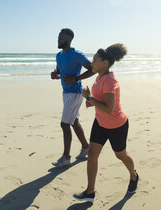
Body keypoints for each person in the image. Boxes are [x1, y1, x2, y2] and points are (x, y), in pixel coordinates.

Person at [73, 43, 139, 202]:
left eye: (95, 60)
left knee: (121, 155)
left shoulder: (110, 81)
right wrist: (89, 99)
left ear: (104, 63)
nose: (92, 62)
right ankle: (90, 192)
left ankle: (134, 176)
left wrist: (89, 98)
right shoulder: (98, 77)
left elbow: (109, 109)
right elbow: (98, 102)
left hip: (117, 125)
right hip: (100, 123)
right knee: (92, 156)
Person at [51, 28, 95, 167]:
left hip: (75, 93)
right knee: (74, 122)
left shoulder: (76, 54)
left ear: (69, 39)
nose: (59, 39)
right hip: (65, 93)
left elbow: (92, 69)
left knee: (64, 124)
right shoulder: (58, 55)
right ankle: (86, 147)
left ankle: (66, 157)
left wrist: (76, 78)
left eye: (62, 37)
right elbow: (59, 73)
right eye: (58, 37)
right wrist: (55, 76)